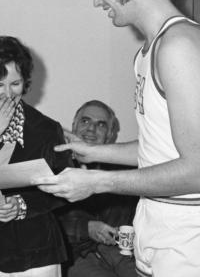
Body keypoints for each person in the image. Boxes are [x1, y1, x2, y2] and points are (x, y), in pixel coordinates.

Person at [33, 0, 200, 276]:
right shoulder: (149, 51)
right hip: (159, 219)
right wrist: (96, 153)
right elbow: (159, 149)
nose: (97, 2)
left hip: (193, 230)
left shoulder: (181, 47)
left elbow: (199, 171)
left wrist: (97, 182)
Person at [0, 36, 70, 277]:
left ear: (25, 82)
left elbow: (63, 188)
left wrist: (21, 205)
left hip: (36, 251)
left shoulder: (46, 128)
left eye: (15, 83)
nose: (8, 93)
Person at [57, 100, 137, 277]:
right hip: (76, 255)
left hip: (122, 253)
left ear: (109, 134)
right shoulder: (55, 165)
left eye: (100, 125)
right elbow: (44, 220)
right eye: (85, 121)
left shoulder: (125, 171)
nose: (91, 129)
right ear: (74, 126)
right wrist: (87, 228)